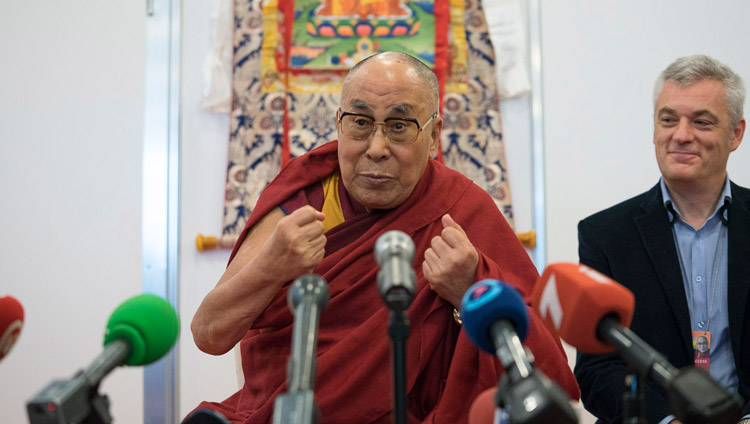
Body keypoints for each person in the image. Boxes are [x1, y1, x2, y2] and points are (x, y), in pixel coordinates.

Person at [187, 51, 579, 423]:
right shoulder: (303, 200)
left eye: (399, 126)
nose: (376, 149)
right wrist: (271, 266)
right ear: (338, 122)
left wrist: (470, 290)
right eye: (360, 122)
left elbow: (552, 380)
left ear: (434, 134)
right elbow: (209, 333)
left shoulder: (461, 210)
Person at [575, 54, 750, 424]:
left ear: (736, 133)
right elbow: (597, 372)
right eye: (668, 119)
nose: (681, 135)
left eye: (701, 122)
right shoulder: (605, 236)